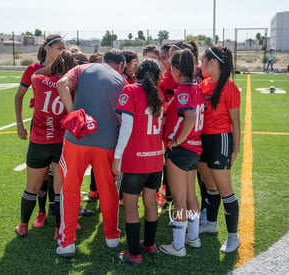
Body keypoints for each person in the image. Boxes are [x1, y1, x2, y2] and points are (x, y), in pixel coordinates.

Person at [55, 49, 125, 257]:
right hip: (108, 142)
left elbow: (61, 84)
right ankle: (111, 237)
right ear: (120, 66)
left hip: (77, 138)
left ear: (103, 60)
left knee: (70, 190)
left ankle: (67, 242)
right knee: (109, 191)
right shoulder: (121, 80)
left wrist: (73, 113)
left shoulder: (82, 68)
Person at [14, 50, 77, 239]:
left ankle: (23, 226)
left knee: (31, 187)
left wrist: (51, 66)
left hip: (39, 142)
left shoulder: (39, 81)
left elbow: (36, 75)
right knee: (59, 190)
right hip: (60, 143)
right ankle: (59, 230)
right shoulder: (70, 88)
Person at [113, 58, 164, 267]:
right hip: (155, 159)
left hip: (134, 160)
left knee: (131, 206)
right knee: (150, 201)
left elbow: (126, 126)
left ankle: (134, 254)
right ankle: (150, 244)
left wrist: (117, 156)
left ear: (137, 72)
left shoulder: (130, 91)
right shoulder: (158, 94)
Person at [159, 49, 204, 257]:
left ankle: (178, 246)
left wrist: (177, 140)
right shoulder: (197, 88)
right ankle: (193, 237)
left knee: (179, 200)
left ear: (176, 69)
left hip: (182, 150)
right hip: (194, 150)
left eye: (171, 69)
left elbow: (191, 116)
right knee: (190, 196)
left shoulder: (183, 90)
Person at [196, 46, 241, 254]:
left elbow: (235, 121)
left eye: (202, 61)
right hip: (202, 139)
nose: (200, 65)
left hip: (220, 139)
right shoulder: (203, 85)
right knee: (208, 183)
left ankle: (233, 236)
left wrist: (236, 148)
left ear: (212, 63)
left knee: (225, 189)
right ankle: (211, 223)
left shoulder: (229, 88)